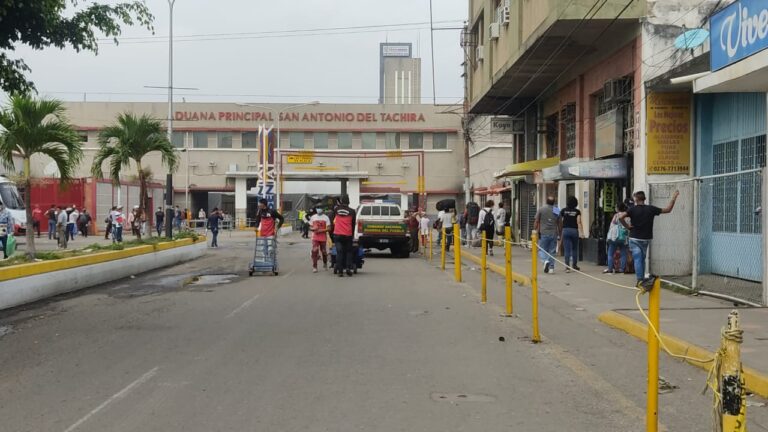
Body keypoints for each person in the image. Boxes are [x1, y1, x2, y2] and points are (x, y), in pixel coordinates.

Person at [619, 190, 679, 288]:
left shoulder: (632, 209)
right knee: (642, 259)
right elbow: (668, 210)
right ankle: (642, 280)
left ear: (636, 199)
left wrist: (627, 227)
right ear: (644, 199)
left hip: (634, 238)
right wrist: (674, 198)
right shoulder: (651, 209)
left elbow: (621, 217)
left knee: (638, 259)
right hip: (645, 239)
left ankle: (640, 280)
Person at [332, 195, 357, 277]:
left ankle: (340, 271)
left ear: (341, 201)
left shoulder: (336, 210)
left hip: (337, 234)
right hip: (347, 235)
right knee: (349, 252)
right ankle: (348, 269)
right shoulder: (352, 211)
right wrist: (352, 235)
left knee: (339, 252)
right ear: (348, 201)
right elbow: (353, 225)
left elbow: (333, 221)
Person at [534, 196, 559, 274]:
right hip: (553, 233)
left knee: (541, 249)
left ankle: (545, 260)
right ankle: (551, 268)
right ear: (554, 202)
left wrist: (534, 230)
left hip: (543, 233)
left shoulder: (541, 209)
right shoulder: (556, 210)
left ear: (546, 201)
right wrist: (560, 233)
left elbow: (536, 221)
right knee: (552, 251)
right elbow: (559, 222)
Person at [559, 196, 584, 273]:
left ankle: (567, 267)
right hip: (574, 231)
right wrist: (582, 233)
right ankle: (574, 265)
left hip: (566, 230)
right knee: (574, 249)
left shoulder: (563, 211)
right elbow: (579, 222)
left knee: (567, 249)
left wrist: (561, 230)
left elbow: (560, 220)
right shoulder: (577, 211)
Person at [604, 203, 629, 275]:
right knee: (623, 253)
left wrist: (609, 236)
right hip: (623, 236)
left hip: (615, 237)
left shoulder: (616, 215)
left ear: (617, 208)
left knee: (610, 253)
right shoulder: (627, 215)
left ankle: (610, 269)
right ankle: (622, 269)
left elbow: (612, 225)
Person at [309, 207, 331, 272]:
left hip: (323, 237)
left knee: (324, 251)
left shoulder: (326, 217)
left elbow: (329, 228)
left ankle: (325, 263)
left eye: (320, 208)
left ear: (323, 209)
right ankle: (315, 267)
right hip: (315, 237)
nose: (319, 209)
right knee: (315, 250)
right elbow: (310, 227)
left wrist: (321, 230)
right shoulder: (313, 217)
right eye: (317, 208)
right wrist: (313, 229)